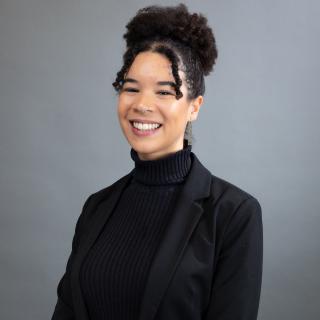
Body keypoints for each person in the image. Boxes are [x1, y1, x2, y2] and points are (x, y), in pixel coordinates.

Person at [51, 3, 263, 320]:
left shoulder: (232, 214)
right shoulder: (97, 207)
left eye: (164, 92)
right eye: (131, 88)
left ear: (194, 106)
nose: (142, 105)